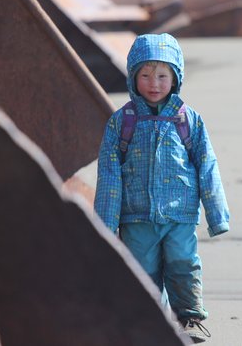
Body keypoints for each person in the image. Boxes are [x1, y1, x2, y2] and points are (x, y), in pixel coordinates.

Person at [94, 33, 230, 343]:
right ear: (133, 76)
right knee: (142, 271)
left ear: (175, 78)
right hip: (137, 216)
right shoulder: (121, 123)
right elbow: (110, 175)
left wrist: (217, 214)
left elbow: (207, 165)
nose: (153, 83)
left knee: (183, 264)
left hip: (180, 215)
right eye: (145, 74)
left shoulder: (188, 121)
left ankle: (189, 318)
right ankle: (150, 320)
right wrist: (105, 223)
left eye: (162, 75)